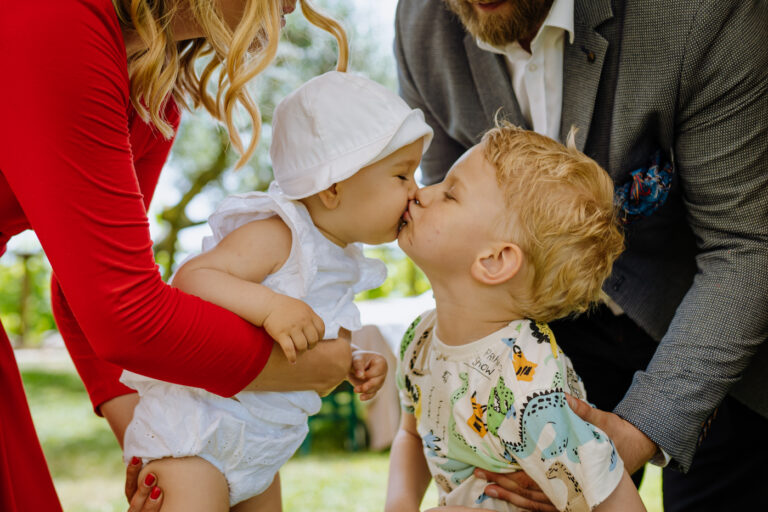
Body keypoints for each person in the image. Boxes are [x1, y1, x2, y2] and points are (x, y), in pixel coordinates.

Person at [394, 0, 768, 509]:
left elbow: (744, 245)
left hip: (698, 326)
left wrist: (622, 446)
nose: (420, 193)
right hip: (544, 322)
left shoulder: (696, 15)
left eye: (447, 192)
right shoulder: (422, 27)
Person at [0, 1, 351, 511]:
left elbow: (83, 294)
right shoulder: (56, 18)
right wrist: (309, 367)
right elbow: (128, 313)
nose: (295, 5)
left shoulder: (153, 98)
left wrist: (156, 443)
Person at [118, 70, 434, 511]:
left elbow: (306, 339)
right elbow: (194, 278)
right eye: (402, 175)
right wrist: (269, 307)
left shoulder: (342, 259)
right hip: (199, 439)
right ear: (332, 186)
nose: (415, 192)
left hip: (263, 451)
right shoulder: (279, 233)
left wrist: (353, 362)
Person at [386, 123, 645, 512]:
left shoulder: (529, 386)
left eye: (450, 194)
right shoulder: (419, 341)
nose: (421, 192)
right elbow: (411, 433)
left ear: (494, 261)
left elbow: (616, 502)